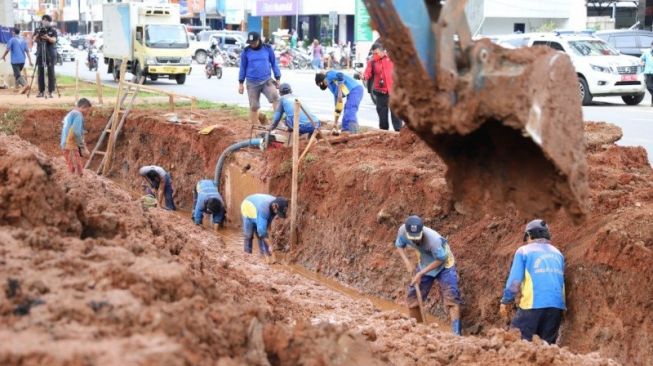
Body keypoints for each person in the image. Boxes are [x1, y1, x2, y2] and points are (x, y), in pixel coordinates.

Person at [499, 219, 565, 344]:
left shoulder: (524, 251)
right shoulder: (558, 254)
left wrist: (506, 301)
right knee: (546, 349)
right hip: (556, 307)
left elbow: (514, 281)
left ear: (529, 235)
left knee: (516, 342)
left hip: (533, 305)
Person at [395, 215, 462, 336]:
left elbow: (441, 260)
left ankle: (456, 335)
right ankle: (417, 330)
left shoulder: (434, 240)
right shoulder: (403, 231)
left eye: (418, 238)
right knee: (413, 297)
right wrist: (407, 262)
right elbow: (399, 245)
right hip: (425, 262)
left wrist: (420, 273)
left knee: (452, 298)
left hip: (444, 265)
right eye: (413, 239)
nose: (415, 241)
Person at [238, 31, 281, 125]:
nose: (252, 45)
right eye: (250, 43)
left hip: (267, 80)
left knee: (275, 98)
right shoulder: (246, 52)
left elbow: (274, 63)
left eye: (254, 42)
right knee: (254, 106)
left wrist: (278, 78)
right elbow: (242, 68)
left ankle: (277, 123)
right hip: (252, 83)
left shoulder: (268, 49)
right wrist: (241, 83)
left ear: (259, 40)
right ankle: (255, 128)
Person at [364, 43, 402, 131]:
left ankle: (398, 133)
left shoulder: (392, 58)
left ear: (382, 52)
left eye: (376, 53)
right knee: (382, 117)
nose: (374, 55)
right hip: (380, 93)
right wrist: (365, 76)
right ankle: (384, 133)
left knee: (396, 116)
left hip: (393, 92)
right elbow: (368, 72)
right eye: (373, 53)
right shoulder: (372, 62)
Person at [240, 194, 288, 263]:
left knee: (262, 233)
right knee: (249, 235)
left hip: (258, 208)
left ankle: (263, 254)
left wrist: (269, 243)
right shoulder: (264, 208)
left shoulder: (277, 204)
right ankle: (247, 256)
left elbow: (266, 229)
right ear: (274, 206)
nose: (277, 214)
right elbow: (262, 231)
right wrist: (270, 246)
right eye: (278, 212)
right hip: (247, 207)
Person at [60, 98, 92, 176]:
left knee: (72, 169)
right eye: (87, 110)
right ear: (83, 107)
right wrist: (82, 147)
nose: (87, 112)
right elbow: (76, 132)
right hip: (70, 146)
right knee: (77, 171)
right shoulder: (78, 115)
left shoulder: (71, 114)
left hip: (65, 144)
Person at [32, 14, 58, 98]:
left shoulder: (53, 30)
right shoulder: (38, 29)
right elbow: (33, 39)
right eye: (43, 20)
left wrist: (47, 37)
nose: (44, 21)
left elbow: (54, 40)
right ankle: (41, 91)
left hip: (50, 53)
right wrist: (37, 35)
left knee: (51, 72)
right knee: (40, 72)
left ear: (49, 22)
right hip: (40, 53)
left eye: (46, 20)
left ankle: (50, 91)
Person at [1, 28, 32, 92]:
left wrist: (3, 56)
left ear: (14, 32)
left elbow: (7, 49)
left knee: (17, 75)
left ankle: (25, 84)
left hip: (15, 61)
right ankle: (16, 87)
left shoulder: (12, 40)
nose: (12, 33)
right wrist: (30, 60)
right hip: (22, 61)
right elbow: (27, 51)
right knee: (16, 73)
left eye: (12, 32)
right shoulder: (23, 40)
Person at [640, 41, 653, 106]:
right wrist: (642, 63)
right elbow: (641, 59)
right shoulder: (647, 52)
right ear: (651, 45)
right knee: (649, 86)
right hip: (648, 72)